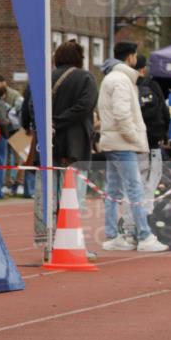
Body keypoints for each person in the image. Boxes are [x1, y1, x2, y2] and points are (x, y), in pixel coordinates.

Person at [98, 41, 168, 253]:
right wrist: (134, 137)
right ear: (130, 57)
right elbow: (121, 114)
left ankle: (113, 234)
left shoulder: (112, 78)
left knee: (113, 189)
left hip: (113, 141)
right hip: (122, 142)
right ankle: (144, 235)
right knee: (135, 188)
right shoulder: (121, 80)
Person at [52, 40, 98, 214]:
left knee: (51, 194)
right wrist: (61, 120)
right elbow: (85, 106)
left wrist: (51, 122)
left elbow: (32, 105)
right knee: (75, 196)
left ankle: (47, 234)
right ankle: (71, 233)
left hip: (50, 142)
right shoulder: (86, 78)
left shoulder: (47, 77)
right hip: (76, 143)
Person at [135, 53, 170, 221]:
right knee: (152, 178)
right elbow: (164, 111)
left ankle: (131, 219)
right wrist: (165, 134)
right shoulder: (152, 85)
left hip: (133, 142)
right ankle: (146, 216)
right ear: (143, 69)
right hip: (153, 141)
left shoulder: (127, 85)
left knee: (135, 181)